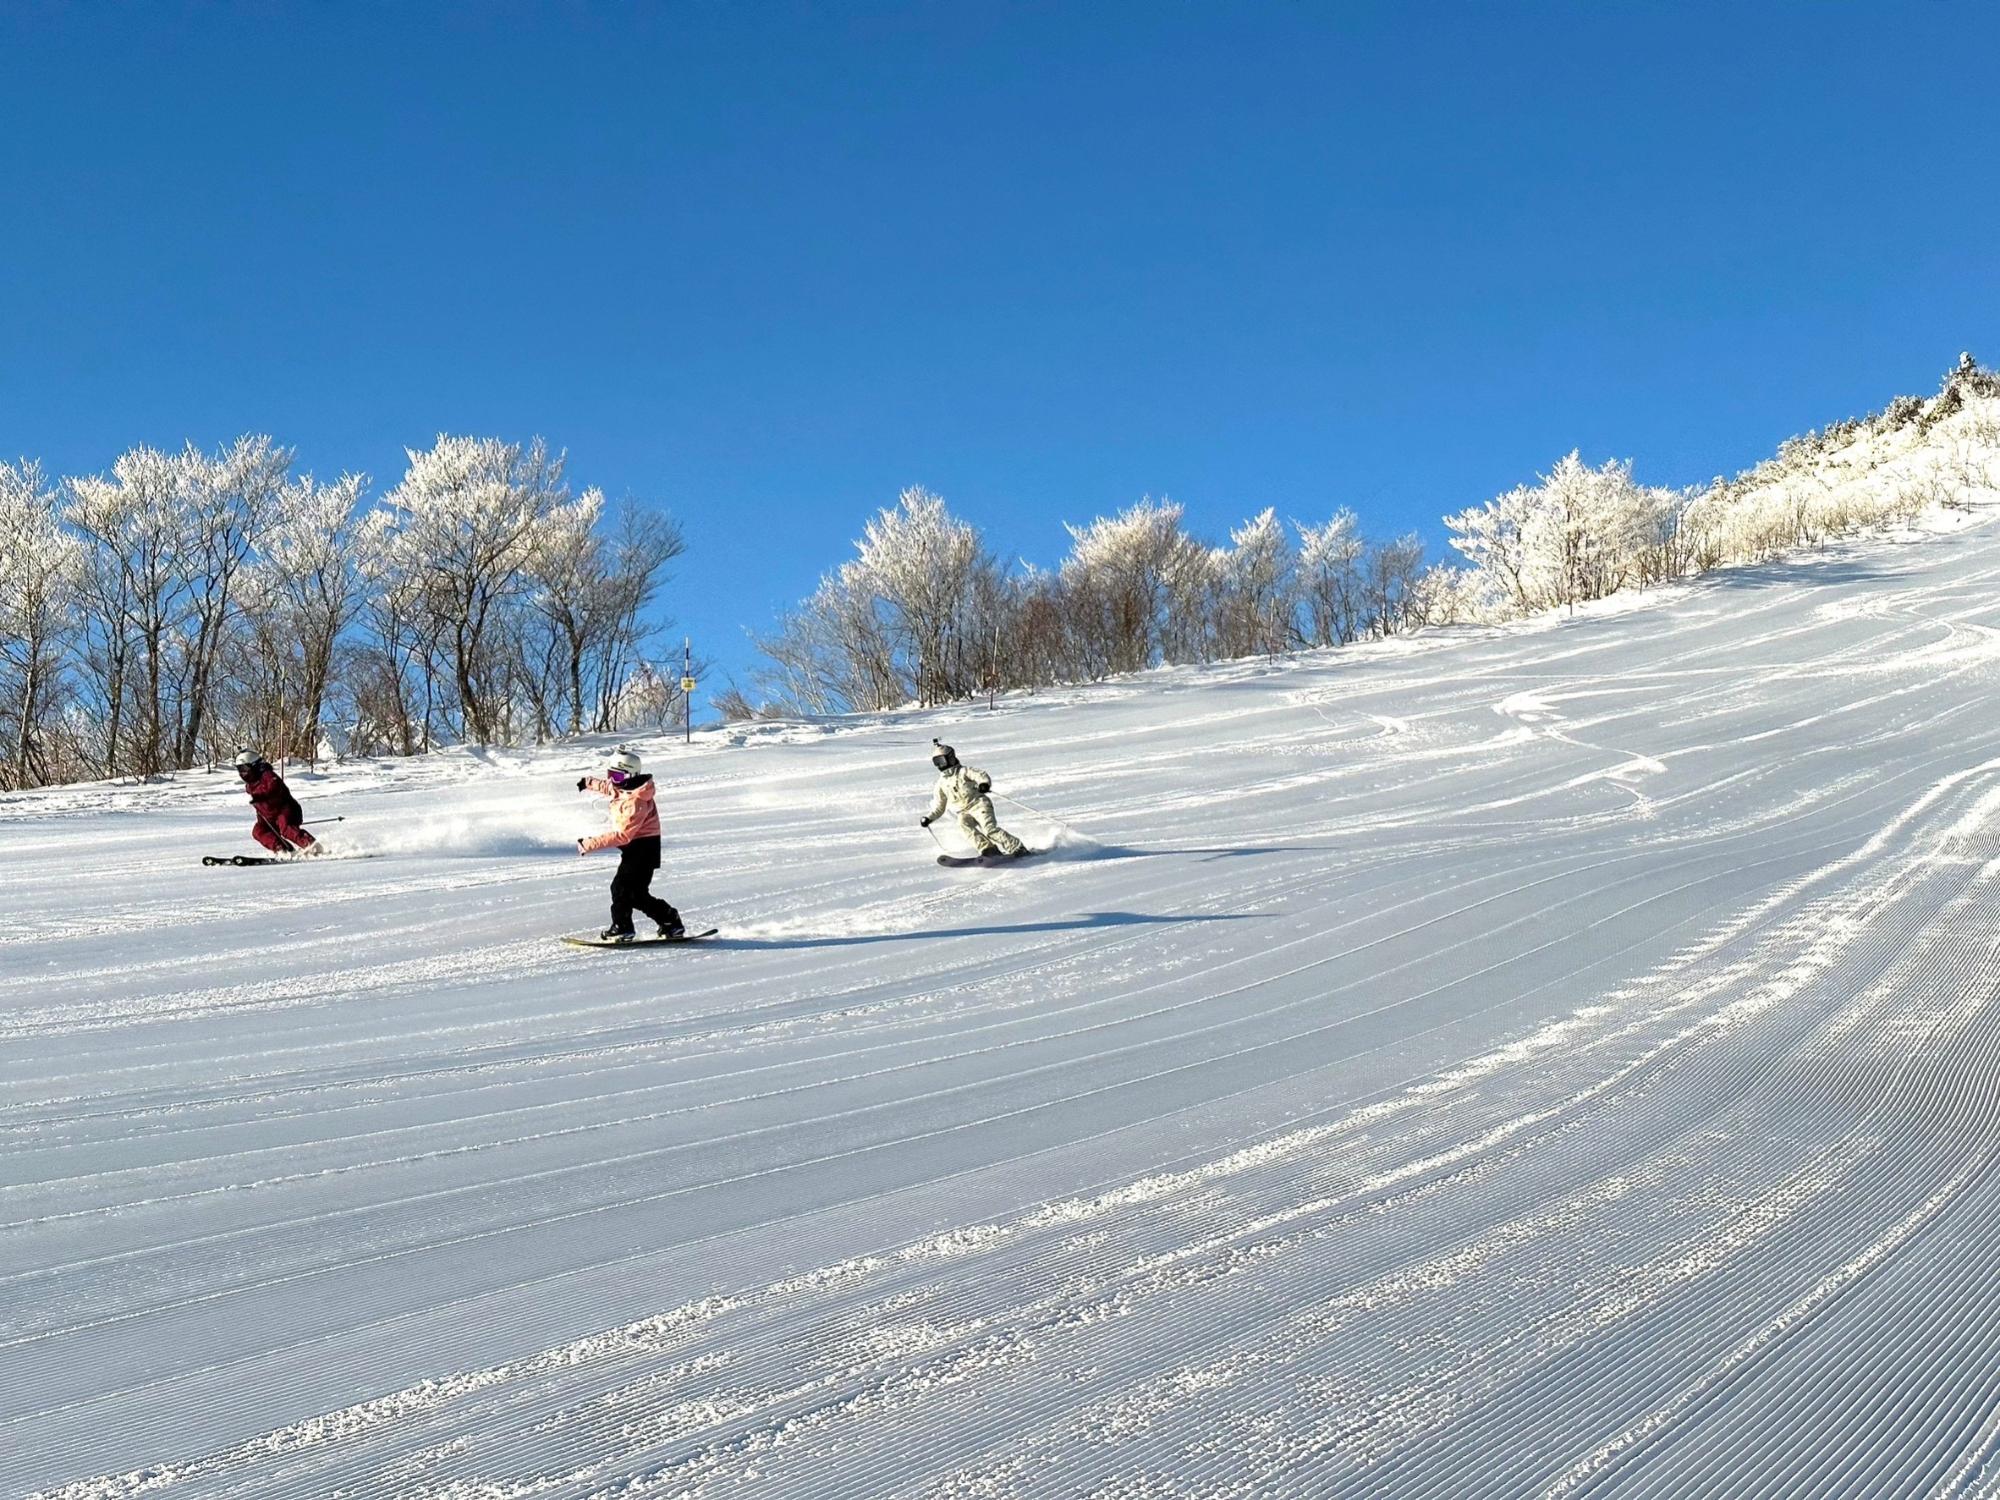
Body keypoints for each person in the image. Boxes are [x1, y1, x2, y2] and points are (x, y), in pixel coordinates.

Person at [577, 748, 685, 942]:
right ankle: (670, 920)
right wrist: (588, 783)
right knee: (635, 894)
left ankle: (622, 927)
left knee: (620, 888)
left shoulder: (636, 801)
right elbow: (609, 787)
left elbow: (623, 836)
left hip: (642, 849)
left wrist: (589, 844)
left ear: (629, 775)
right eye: (611, 774)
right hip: (637, 848)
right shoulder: (623, 787)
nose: (612, 780)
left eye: (616, 776)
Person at [919, 740, 1028, 858]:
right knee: (963, 826)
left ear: (950, 758)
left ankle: (1016, 847)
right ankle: (988, 849)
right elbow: (940, 806)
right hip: (963, 811)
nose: (941, 765)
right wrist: (929, 818)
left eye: (942, 761)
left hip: (979, 805)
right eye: (937, 762)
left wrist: (984, 784)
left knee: (989, 830)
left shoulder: (963, 771)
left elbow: (980, 775)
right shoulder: (941, 784)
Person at [234, 749, 320, 856]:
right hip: (269, 817)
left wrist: (261, 796)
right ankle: (281, 849)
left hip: (286, 811)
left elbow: (273, 788)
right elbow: (261, 807)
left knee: (286, 828)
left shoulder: (268, 775)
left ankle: (312, 846)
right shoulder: (251, 784)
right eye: (239, 769)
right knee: (258, 831)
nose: (242, 773)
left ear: (254, 765)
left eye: (244, 768)